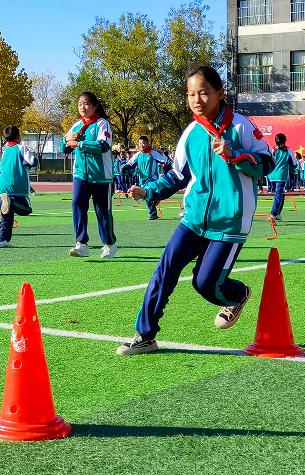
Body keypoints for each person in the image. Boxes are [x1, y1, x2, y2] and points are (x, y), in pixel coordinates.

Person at [117, 65, 274, 355]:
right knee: (165, 268)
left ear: (219, 93)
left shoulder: (241, 126)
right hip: (193, 218)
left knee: (205, 284)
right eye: (191, 94)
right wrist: (148, 191)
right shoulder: (191, 133)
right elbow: (177, 176)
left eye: (203, 92)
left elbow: (267, 164)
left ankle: (237, 294)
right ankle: (145, 335)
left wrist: (235, 155)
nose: (197, 100)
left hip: (229, 223)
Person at [60, 91, 117, 259]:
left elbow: (103, 145)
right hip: (80, 174)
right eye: (79, 104)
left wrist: (79, 143)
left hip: (101, 176)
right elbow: (64, 147)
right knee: (77, 204)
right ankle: (81, 243)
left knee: (102, 211)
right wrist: (67, 140)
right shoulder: (76, 126)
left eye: (86, 104)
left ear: (94, 106)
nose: (82, 107)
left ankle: (109, 244)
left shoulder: (102, 124)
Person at [0, 125, 37, 248]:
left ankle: (2, 239)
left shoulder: (4, 151)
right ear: (19, 137)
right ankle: (12, 203)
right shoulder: (21, 148)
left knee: (6, 217)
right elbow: (32, 161)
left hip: (3, 187)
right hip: (16, 186)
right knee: (26, 209)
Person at [121, 136, 171, 220]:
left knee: (149, 193)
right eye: (140, 143)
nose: (142, 145)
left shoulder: (153, 153)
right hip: (142, 180)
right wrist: (124, 168)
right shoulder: (138, 154)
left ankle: (153, 209)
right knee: (146, 196)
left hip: (152, 179)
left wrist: (168, 168)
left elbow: (165, 161)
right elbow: (130, 163)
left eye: (144, 143)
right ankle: (154, 211)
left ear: (148, 143)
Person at [267, 133, 295, 220]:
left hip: (271, 175)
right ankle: (273, 214)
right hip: (281, 176)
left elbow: (267, 160)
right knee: (278, 194)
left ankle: (278, 213)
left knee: (280, 194)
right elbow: (294, 164)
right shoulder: (288, 151)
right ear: (285, 140)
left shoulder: (272, 150)